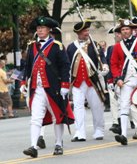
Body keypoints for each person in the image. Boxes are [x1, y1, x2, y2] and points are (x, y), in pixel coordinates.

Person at [20, 16, 74, 158]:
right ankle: (33, 146)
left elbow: (65, 66)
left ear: (49, 30)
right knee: (35, 118)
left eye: (42, 28)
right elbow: (28, 67)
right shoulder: (32, 46)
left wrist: (65, 85)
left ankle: (58, 144)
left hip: (53, 88)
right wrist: (23, 82)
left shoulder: (57, 46)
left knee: (58, 116)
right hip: (36, 88)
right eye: (38, 28)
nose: (40, 30)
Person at [67, 20, 107, 142]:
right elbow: (67, 63)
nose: (87, 33)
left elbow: (102, 58)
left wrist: (105, 66)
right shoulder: (71, 47)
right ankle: (80, 132)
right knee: (78, 107)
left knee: (96, 106)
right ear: (78, 33)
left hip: (92, 80)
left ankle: (99, 130)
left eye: (88, 30)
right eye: (85, 31)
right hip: (77, 81)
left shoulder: (94, 45)